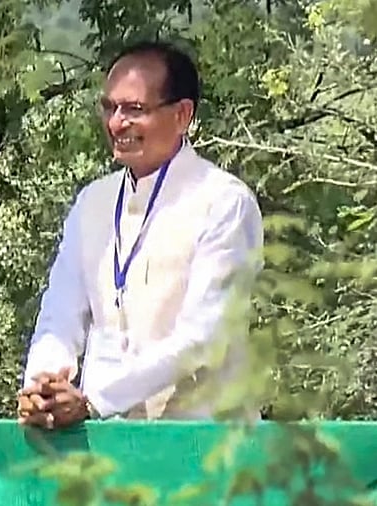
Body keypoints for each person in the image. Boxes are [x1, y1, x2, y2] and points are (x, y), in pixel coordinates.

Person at [18, 41, 265, 428]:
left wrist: (95, 399)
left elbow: (202, 336)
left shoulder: (223, 202)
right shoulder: (93, 202)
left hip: (202, 441)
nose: (116, 124)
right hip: (105, 440)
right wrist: (44, 386)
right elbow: (59, 315)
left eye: (134, 109)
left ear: (182, 115)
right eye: (109, 108)